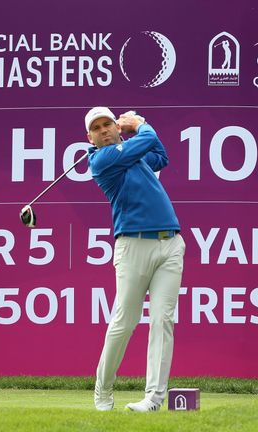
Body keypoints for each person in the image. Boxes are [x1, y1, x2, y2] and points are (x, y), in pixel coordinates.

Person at [85, 106, 185, 411]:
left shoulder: (134, 156)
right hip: (133, 246)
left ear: (116, 128)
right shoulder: (101, 161)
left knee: (162, 320)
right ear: (90, 138)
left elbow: (161, 156)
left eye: (107, 124)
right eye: (96, 128)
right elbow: (149, 138)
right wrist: (139, 123)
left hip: (170, 243)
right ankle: (103, 390)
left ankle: (154, 398)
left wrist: (137, 130)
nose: (103, 130)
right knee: (125, 322)